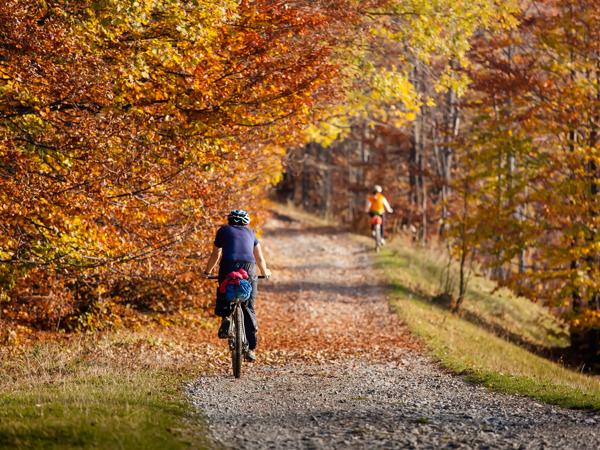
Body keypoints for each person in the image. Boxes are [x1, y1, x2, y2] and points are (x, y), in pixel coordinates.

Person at [204, 209, 272, 362]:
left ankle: (226, 318)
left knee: (223, 291)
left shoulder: (223, 230)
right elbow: (259, 258)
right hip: (249, 268)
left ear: (230, 221)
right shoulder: (251, 233)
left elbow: (216, 254)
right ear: (246, 222)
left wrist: (207, 272)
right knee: (248, 305)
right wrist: (265, 271)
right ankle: (251, 348)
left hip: (228, 265)